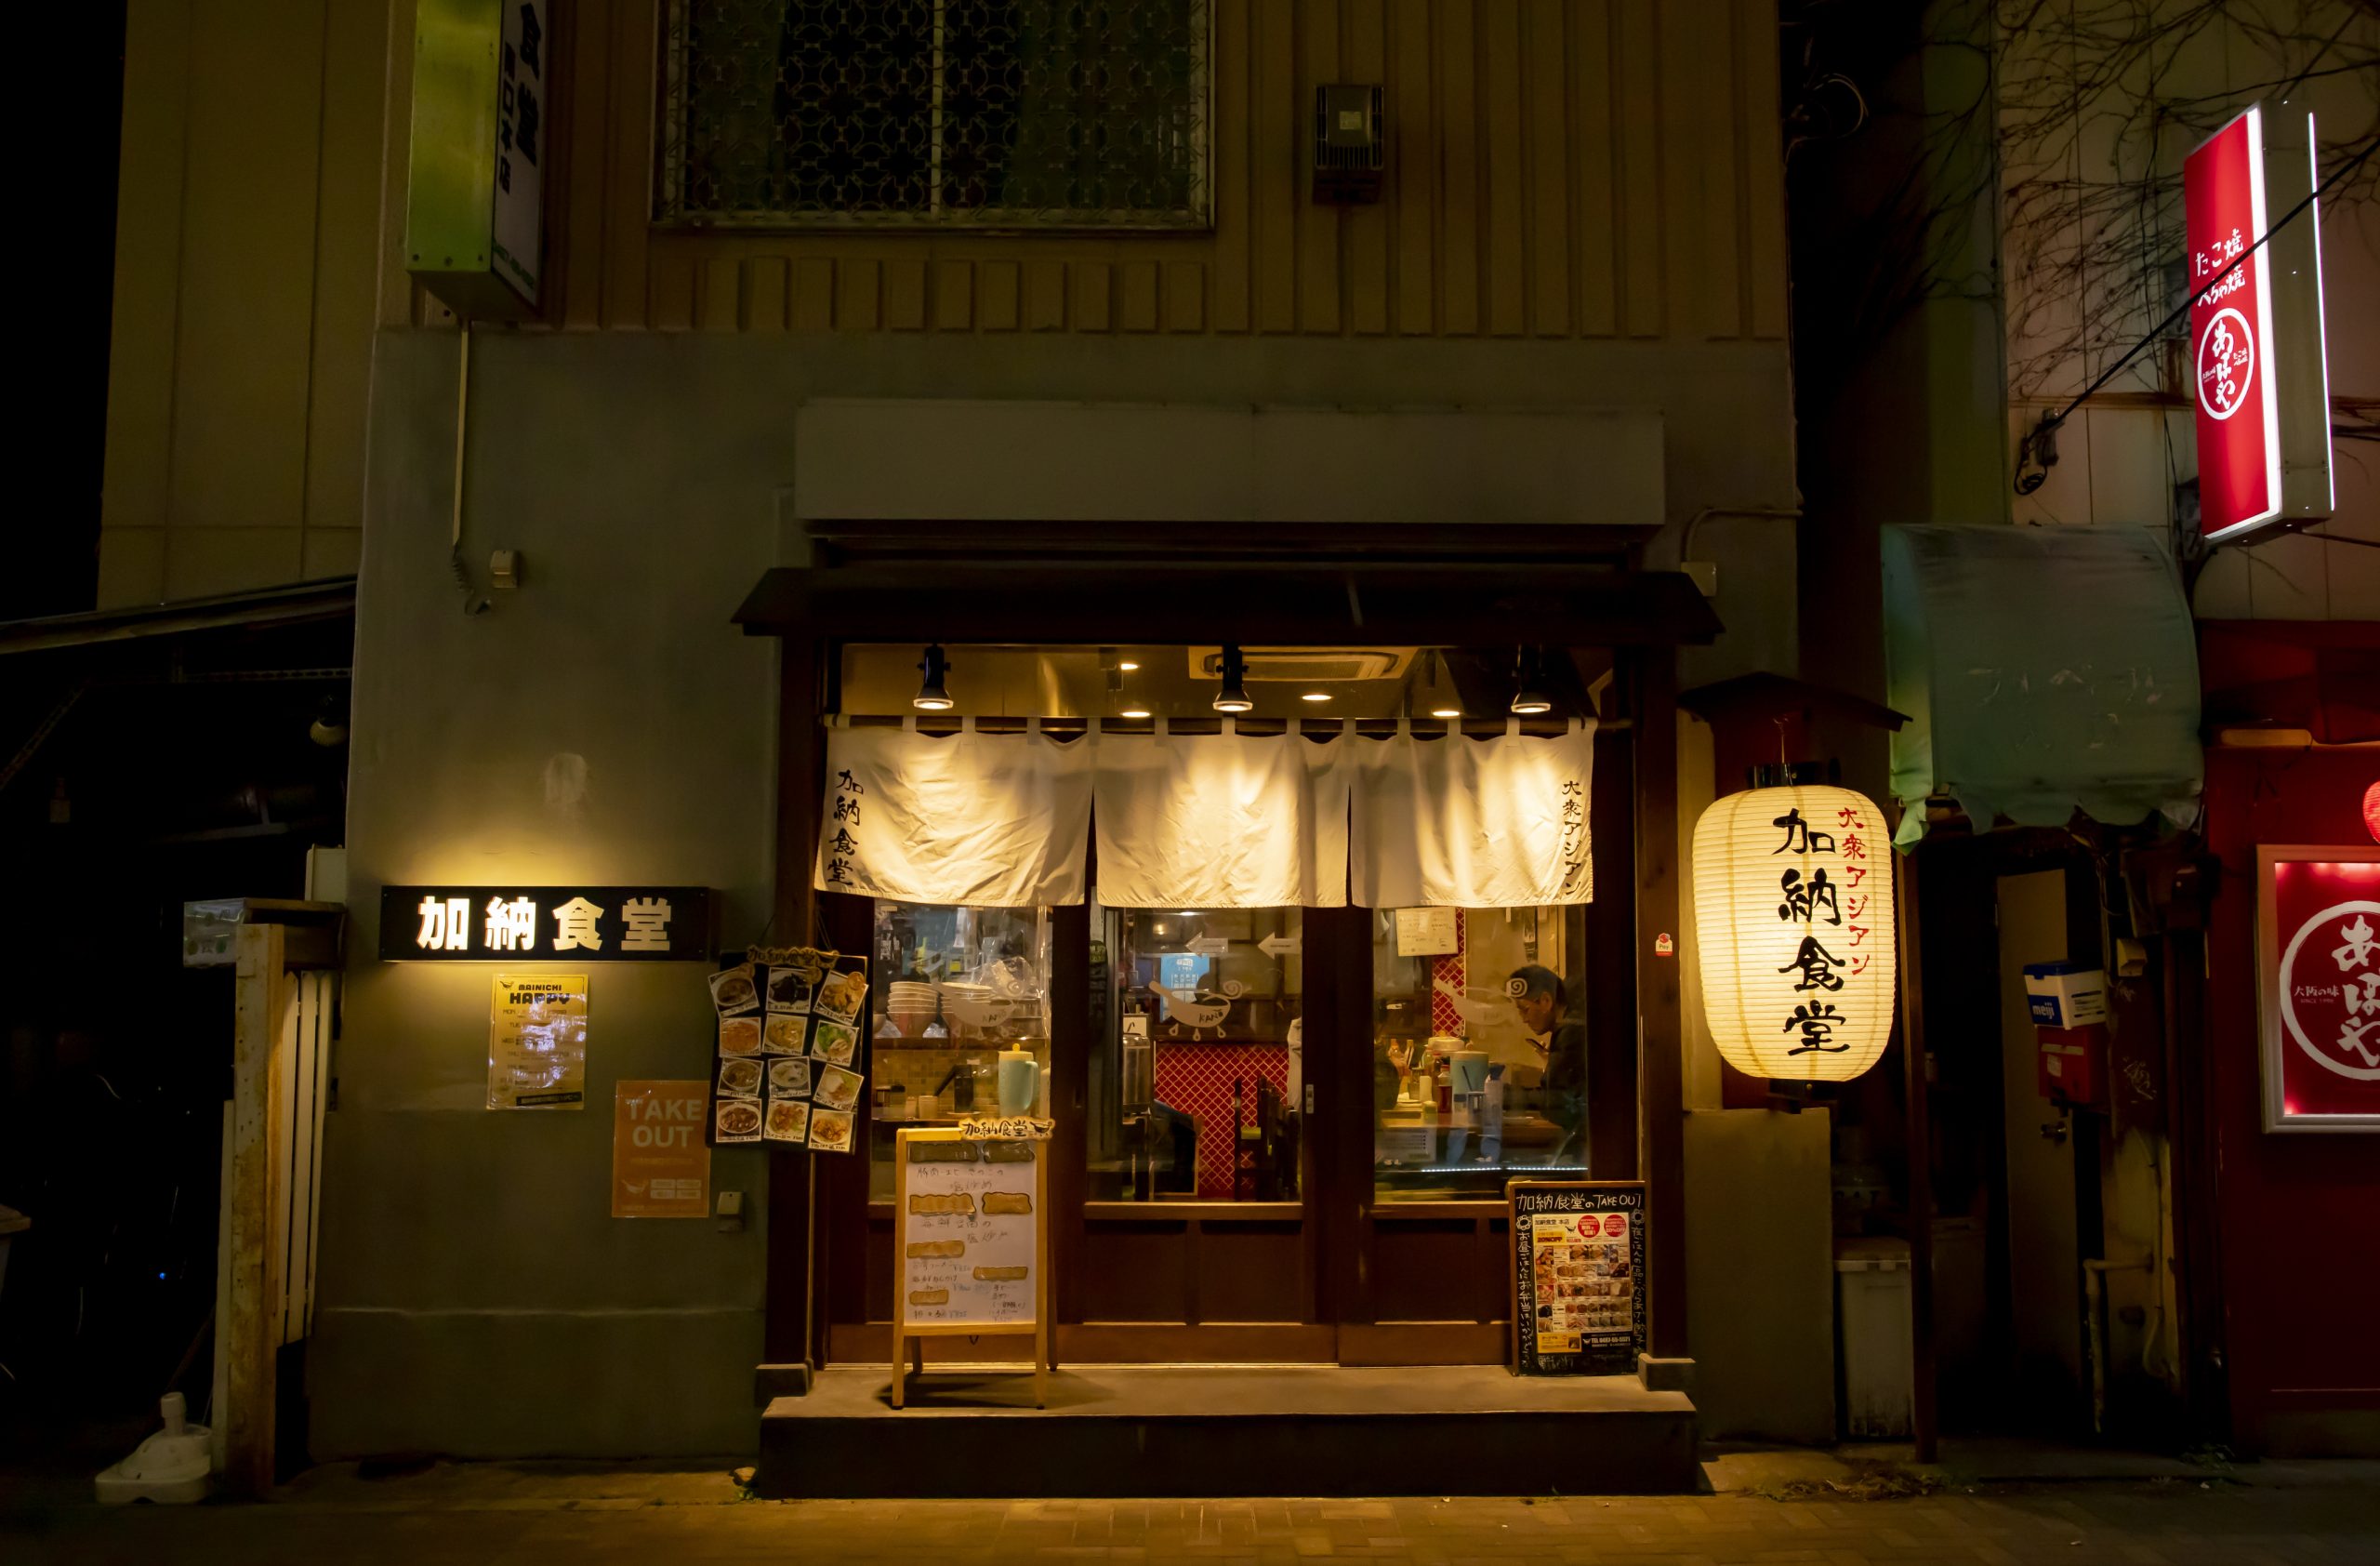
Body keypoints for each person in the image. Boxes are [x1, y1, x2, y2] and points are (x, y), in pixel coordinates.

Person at [1511, 965, 1588, 1168]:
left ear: (1546, 1001)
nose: (1524, 1019)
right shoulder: (1572, 1024)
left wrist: (1506, 1097)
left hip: (1586, 1145)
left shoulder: (1571, 1031)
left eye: (1525, 1009)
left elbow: (1556, 1102)